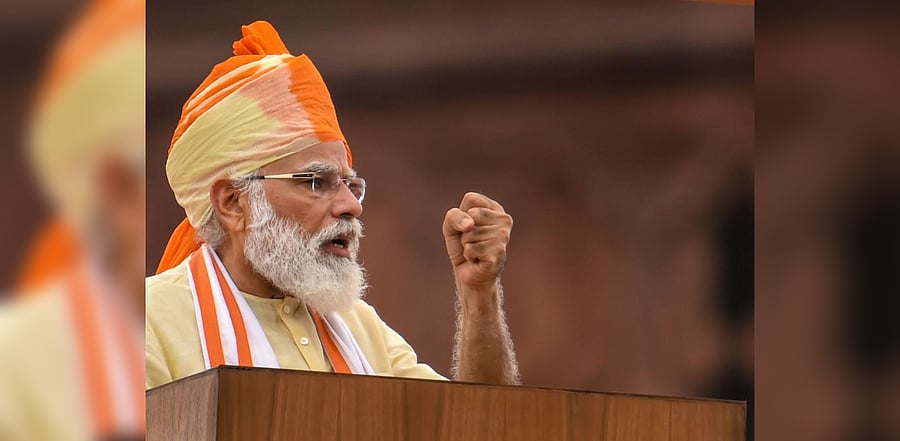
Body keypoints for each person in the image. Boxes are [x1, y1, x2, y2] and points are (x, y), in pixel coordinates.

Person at [145, 20, 519, 389]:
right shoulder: (149, 323)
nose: (351, 206)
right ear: (233, 204)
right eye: (315, 182)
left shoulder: (357, 327)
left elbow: (476, 420)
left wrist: (479, 294)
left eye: (350, 184)